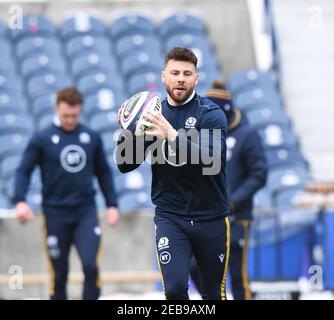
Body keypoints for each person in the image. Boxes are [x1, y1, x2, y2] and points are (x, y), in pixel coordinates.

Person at [117, 47, 230, 300]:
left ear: (196, 79)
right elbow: (125, 164)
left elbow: (210, 159)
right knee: (176, 290)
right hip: (171, 217)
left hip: (211, 217)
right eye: (175, 72)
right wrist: (129, 133)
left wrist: (170, 134)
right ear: (163, 76)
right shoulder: (153, 115)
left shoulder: (210, 114)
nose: (181, 78)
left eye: (187, 74)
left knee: (213, 295)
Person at [13, 87, 119, 300]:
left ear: (79, 111)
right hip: (55, 215)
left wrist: (112, 204)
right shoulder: (42, 139)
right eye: (65, 116)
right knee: (59, 274)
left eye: (74, 115)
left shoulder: (91, 137)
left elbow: (104, 173)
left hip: (85, 214)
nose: (70, 120)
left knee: (90, 266)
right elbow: (23, 171)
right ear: (57, 109)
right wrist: (20, 200)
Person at [190, 81, 268, 300]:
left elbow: (259, 175)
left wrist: (233, 201)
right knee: (194, 265)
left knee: (236, 274)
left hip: (236, 216)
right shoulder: (202, 135)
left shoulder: (247, 135)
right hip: (205, 215)